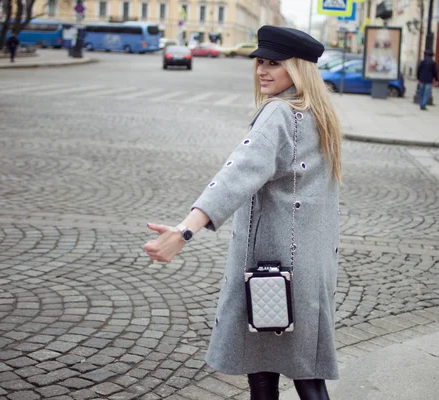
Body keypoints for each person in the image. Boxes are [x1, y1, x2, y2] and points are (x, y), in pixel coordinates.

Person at [143, 25, 342, 400]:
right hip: (309, 269)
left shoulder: (280, 114)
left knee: (263, 370)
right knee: (306, 373)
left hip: (273, 270)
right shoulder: (320, 115)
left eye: (274, 63)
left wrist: (185, 230)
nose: (262, 71)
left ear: (297, 69)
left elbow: (236, 174)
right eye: (260, 62)